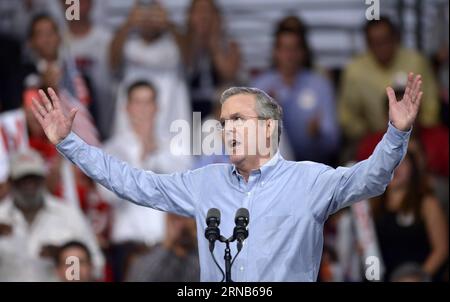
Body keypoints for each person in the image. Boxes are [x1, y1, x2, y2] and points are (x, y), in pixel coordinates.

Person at [31, 71, 423, 281]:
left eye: (238, 120)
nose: (227, 130)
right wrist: (70, 143)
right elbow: (134, 183)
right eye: (223, 122)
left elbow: (372, 178)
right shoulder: (205, 183)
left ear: (268, 129)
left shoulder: (312, 181)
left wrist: (397, 133)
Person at [100, 80, 192, 281]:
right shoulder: (112, 150)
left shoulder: (174, 147)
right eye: (137, 103)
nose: (142, 109)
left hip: (168, 245)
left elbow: (186, 187)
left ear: (156, 107)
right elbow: (107, 195)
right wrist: (140, 157)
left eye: (148, 102)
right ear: (127, 108)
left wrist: (155, 154)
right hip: (129, 247)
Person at [0, 149, 104, 281]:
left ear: (43, 180)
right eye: (23, 180)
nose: (29, 187)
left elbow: (96, 265)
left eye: (34, 180)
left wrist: (64, 257)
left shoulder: (68, 214)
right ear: (10, 182)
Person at [339, 17, 439, 145]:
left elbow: (431, 107)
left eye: (385, 40)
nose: (382, 47)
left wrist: (415, 134)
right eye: (376, 42)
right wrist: (371, 137)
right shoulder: (354, 71)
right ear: (367, 44)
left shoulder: (416, 62)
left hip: (418, 138)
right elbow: (347, 116)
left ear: (395, 38)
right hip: (375, 141)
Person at [252, 18, 339, 164]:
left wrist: (318, 134)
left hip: (314, 166)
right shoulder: (260, 86)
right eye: (285, 49)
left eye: (294, 49)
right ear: (276, 52)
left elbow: (333, 142)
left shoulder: (320, 85)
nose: (289, 56)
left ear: (302, 53)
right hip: (270, 170)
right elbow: (248, 137)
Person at [371, 145, 448, 281]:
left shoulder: (427, 203)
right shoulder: (372, 205)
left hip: (420, 274)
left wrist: (419, 277)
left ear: (413, 167)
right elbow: (371, 253)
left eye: (402, 162)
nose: (396, 167)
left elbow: (442, 249)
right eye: (390, 161)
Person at [175, 0, 241, 117]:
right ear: (189, 16)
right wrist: (196, 39)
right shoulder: (181, 42)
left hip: (218, 112)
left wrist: (213, 42)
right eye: (198, 11)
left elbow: (228, 74)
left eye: (208, 11)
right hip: (186, 110)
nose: (203, 16)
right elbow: (185, 66)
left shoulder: (229, 45)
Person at [126, 213, 199, 282]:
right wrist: (168, 244)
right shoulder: (152, 252)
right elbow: (141, 278)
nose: (181, 225)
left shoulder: (200, 255)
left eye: (185, 218)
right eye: (176, 219)